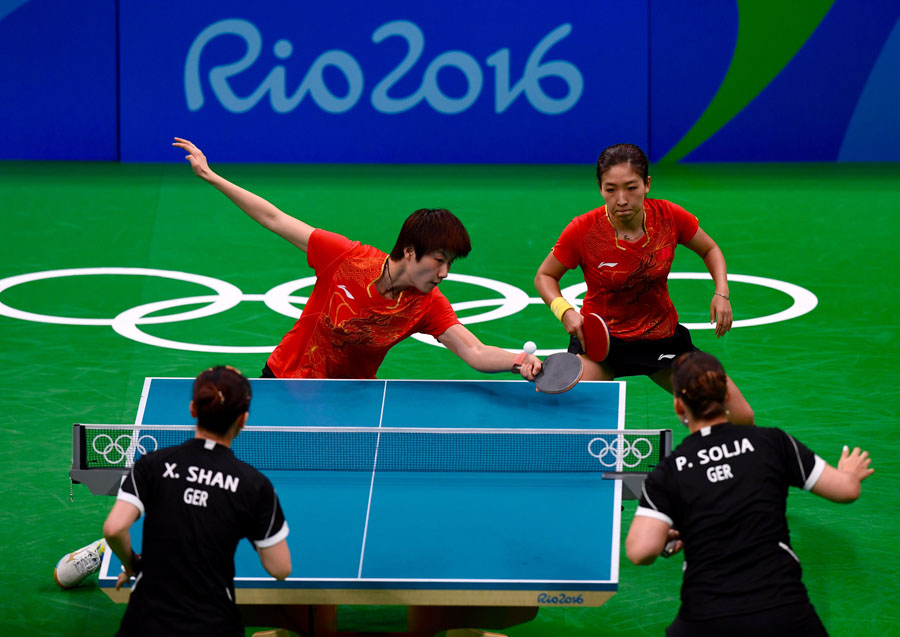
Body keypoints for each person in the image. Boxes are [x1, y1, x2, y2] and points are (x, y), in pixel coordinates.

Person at [172, 137, 542, 382]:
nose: (444, 273)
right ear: (410, 251)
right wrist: (212, 176)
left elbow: (474, 351)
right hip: (284, 380)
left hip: (348, 401)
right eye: (440, 260)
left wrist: (517, 361)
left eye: (450, 264)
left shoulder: (426, 306)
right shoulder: (346, 258)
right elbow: (276, 218)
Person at [625, 351, 874, 636]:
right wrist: (850, 473)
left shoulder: (669, 472)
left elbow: (640, 552)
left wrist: (669, 532)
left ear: (679, 406)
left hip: (706, 618)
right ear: (727, 396)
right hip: (782, 611)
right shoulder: (773, 443)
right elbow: (846, 491)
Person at [534, 143, 754, 424]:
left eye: (631, 187)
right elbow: (545, 276)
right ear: (600, 188)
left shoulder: (669, 216)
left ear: (647, 184)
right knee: (571, 418)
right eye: (611, 189)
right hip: (602, 344)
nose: (621, 199)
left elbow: (710, 249)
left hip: (661, 340)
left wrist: (721, 293)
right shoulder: (583, 229)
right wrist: (564, 310)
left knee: (739, 416)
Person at [99, 366, 291, 636]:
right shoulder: (253, 486)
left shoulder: (151, 465)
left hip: (145, 623)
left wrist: (132, 564)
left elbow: (113, 529)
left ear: (192, 409)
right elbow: (280, 568)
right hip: (213, 625)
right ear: (244, 419)